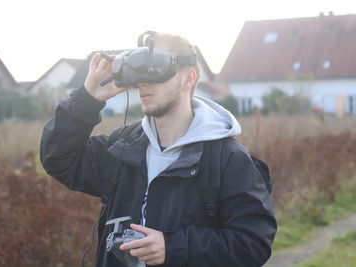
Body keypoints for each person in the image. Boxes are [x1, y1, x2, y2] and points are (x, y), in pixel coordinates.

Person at [40, 32, 277, 267]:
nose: (144, 83)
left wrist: (173, 248)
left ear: (188, 78)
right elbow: (59, 158)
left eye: (156, 69)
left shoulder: (228, 160)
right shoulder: (123, 147)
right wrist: (88, 99)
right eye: (140, 72)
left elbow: (252, 243)